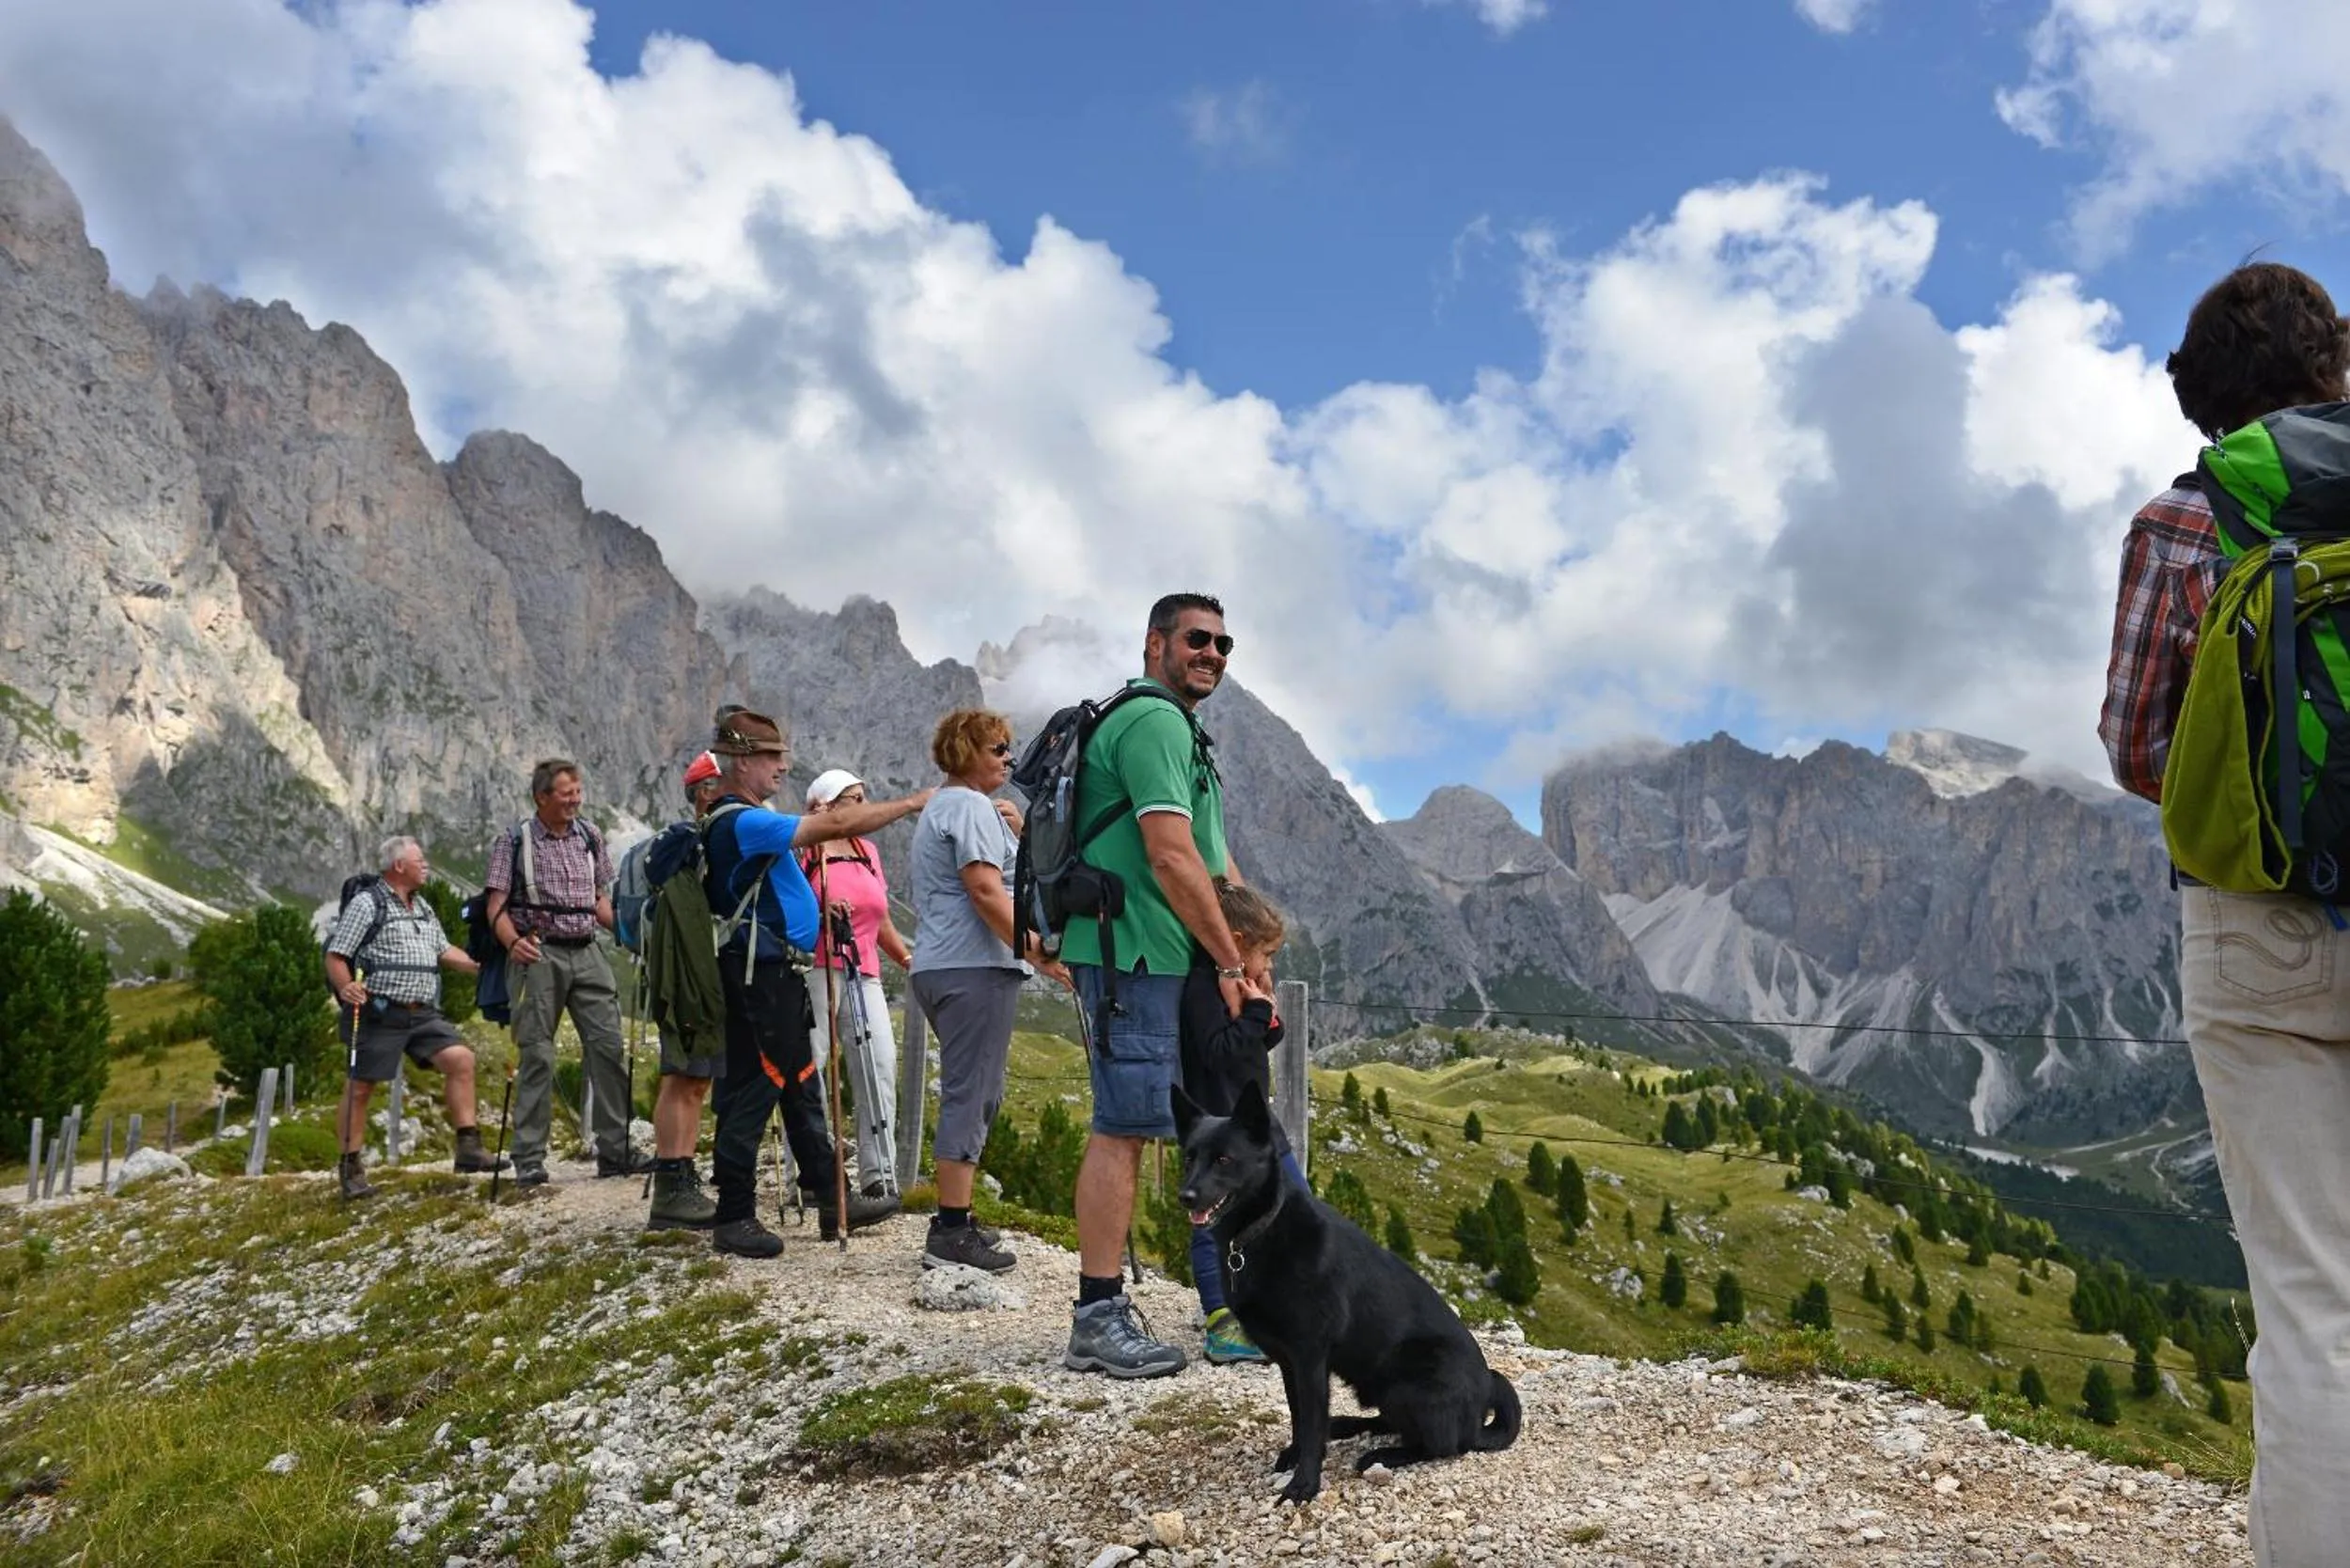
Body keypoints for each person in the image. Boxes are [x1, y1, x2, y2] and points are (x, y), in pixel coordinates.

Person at [2098, 260, 2350, 1568]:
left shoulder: (2183, 524)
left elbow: (2139, 750)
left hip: (2257, 932)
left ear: (2208, 403)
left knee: (2311, 1303)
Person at [1060, 591, 1247, 1379]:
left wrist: (1246, 948)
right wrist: (1232, 962)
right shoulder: (1152, 721)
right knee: (1126, 1125)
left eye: (1223, 643)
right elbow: (1170, 856)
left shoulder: (1182, 729)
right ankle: (1097, 1316)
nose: (1212, 653)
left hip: (1166, 958)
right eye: (1196, 639)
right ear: (1155, 643)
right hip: (1131, 952)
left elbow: (1215, 862)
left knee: (1199, 1127)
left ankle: (1232, 1309)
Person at [700, 707, 930, 1258]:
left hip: (770, 967)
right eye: (770, 757)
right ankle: (734, 1213)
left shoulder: (740, 817)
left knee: (799, 1079)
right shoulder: (744, 820)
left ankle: (832, 1198)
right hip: (761, 973)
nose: (782, 766)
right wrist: (913, 803)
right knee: (760, 1083)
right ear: (740, 761)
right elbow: (835, 825)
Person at [908, 710, 1060, 1274]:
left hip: (941, 965)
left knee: (975, 1090)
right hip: (973, 967)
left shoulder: (947, 807)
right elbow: (982, 887)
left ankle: (957, 1215)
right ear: (967, 749)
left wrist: (1021, 835)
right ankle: (950, 1229)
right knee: (972, 1093)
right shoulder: (969, 807)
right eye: (997, 748)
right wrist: (1035, 950)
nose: (1007, 758)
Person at [483, 759, 642, 1192]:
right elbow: (495, 906)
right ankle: (529, 1158)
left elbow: (597, 898)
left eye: (577, 791)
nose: (575, 799)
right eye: (566, 792)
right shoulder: (514, 841)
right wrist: (513, 943)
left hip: (588, 950)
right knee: (538, 1055)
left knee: (607, 1047)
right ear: (542, 797)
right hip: (538, 954)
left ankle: (617, 1148)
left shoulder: (589, 836)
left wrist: (630, 937)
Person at [324, 836, 505, 1201]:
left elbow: (443, 950)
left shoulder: (421, 906)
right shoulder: (367, 903)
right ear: (398, 866)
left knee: (461, 1060)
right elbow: (336, 954)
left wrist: (484, 966)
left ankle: (468, 1149)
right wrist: (346, 988)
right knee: (360, 1088)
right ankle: (350, 1167)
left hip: (422, 1012)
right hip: (379, 1010)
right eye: (419, 860)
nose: (426, 866)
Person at [1181, 882, 1306, 1364]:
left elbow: (1253, 1047)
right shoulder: (1200, 988)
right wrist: (1254, 1013)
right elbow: (1218, 1052)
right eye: (1266, 955)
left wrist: (1266, 1016)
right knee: (1212, 1220)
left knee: (1293, 1206)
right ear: (1233, 940)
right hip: (1219, 1131)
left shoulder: (1239, 986)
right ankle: (1221, 1322)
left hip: (1259, 1128)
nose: (1268, 966)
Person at [801, 768, 914, 1200]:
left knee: (878, 1064)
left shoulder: (867, 850)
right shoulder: (804, 848)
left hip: (862, 967)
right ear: (828, 806)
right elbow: (791, 904)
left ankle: (879, 1173)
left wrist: (904, 958)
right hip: (815, 967)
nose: (865, 808)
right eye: (856, 799)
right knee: (813, 1064)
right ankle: (813, 1174)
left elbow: (881, 916)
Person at [645, 750, 726, 1231]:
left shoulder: (699, 840)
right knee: (684, 1073)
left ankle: (681, 1176)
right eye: (716, 785)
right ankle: (671, 1184)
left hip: (697, 969)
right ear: (703, 793)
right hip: (687, 972)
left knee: (696, 1079)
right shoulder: (688, 842)